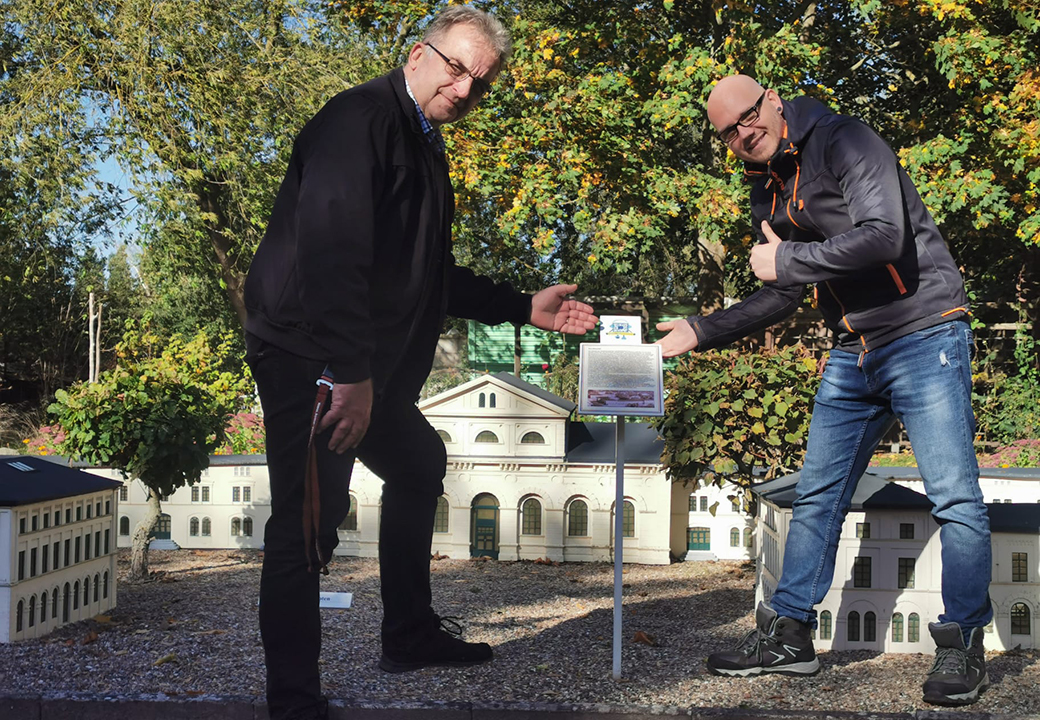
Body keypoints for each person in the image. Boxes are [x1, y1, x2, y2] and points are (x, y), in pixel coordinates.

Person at [243, 8, 597, 720]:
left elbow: (427, 272)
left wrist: (521, 306)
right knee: (307, 523)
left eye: (481, 84)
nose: (465, 90)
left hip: (357, 365)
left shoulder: (423, 144)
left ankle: (408, 635)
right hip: (311, 356)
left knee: (417, 463)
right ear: (417, 55)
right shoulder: (360, 121)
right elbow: (332, 251)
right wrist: (350, 374)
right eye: (457, 69)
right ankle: (293, 702)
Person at [655, 75, 991, 706]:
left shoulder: (847, 141)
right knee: (817, 495)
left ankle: (963, 644)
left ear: (773, 100)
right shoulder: (766, 188)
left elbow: (885, 235)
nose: (743, 133)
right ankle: (789, 637)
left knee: (954, 498)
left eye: (749, 115)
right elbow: (784, 293)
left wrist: (787, 260)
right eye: (728, 132)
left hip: (924, 331)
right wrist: (702, 329)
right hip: (852, 349)